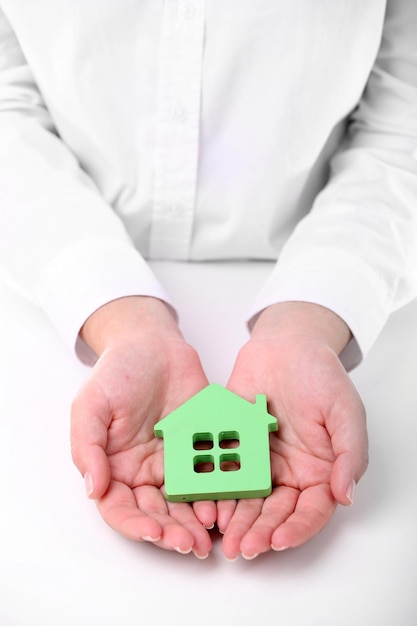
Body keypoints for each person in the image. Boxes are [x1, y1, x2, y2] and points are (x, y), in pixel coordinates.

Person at [0, 1, 416, 560]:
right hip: (48, 285)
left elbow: (404, 112)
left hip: (336, 253)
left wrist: (312, 320)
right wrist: (117, 314)